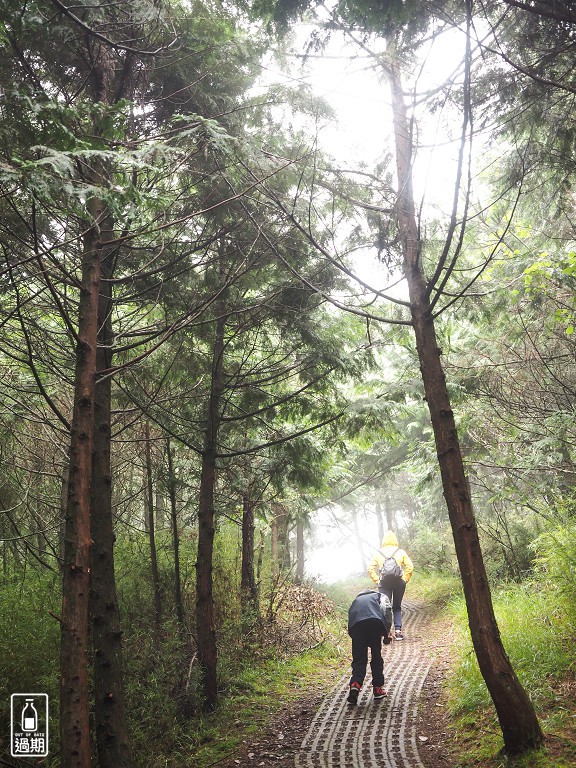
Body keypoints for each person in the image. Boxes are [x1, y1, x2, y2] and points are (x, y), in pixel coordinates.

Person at [346, 589, 392, 704]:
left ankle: (355, 685)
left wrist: (356, 638)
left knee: (359, 659)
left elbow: (351, 619)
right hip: (374, 624)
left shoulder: (356, 600)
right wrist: (387, 634)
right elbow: (387, 612)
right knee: (376, 656)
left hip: (357, 627)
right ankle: (378, 689)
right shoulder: (380, 596)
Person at [368, 530, 414, 641]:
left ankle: (387, 632)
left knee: (384, 608)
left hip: (384, 583)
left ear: (384, 541)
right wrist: (405, 579)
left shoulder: (378, 553)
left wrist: (377, 580)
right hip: (399, 582)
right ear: (395, 540)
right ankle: (398, 632)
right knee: (397, 607)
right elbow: (410, 566)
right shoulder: (400, 551)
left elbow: (370, 569)